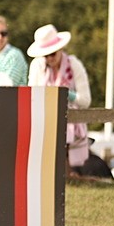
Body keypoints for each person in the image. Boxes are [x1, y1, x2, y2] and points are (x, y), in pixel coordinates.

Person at [27, 24, 91, 169]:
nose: (49, 58)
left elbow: (85, 101)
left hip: (70, 125)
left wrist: (65, 94)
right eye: (46, 55)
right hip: (43, 122)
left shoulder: (74, 65)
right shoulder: (37, 66)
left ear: (60, 49)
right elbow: (31, 96)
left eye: (53, 53)